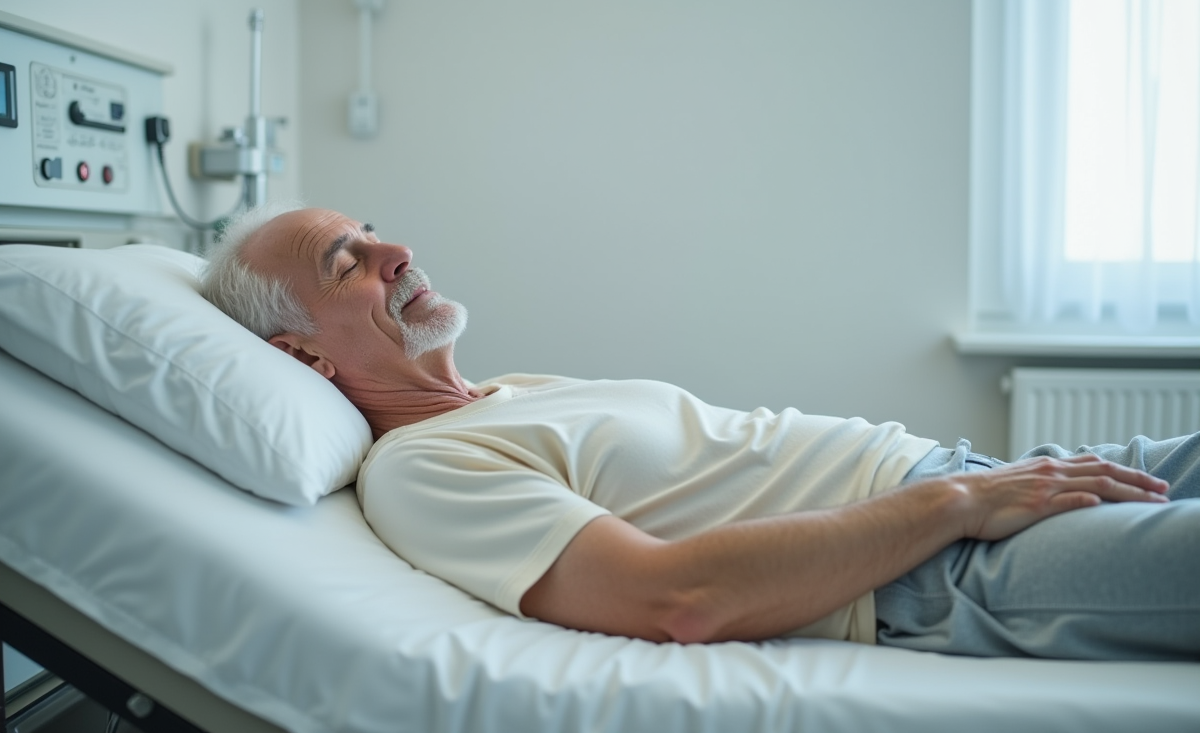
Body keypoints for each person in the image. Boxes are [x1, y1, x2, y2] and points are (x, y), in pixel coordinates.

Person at [201, 203, 1200, 661]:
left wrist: (972, 481)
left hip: (978, 484)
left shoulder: (504, 395)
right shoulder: (419, 470)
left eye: (373, 231)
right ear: (303, 357)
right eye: (350, 261)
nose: (398, 249)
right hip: (940, 561)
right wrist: (954, 503)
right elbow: (674, 597)